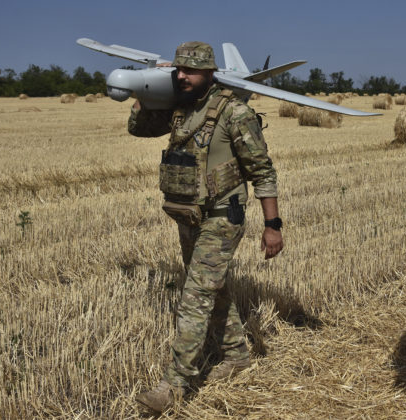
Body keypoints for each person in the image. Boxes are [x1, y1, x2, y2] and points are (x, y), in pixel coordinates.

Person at [128, 41, 283, 414]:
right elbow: (138, 128)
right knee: (214, 289)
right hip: (188, 214)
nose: (182, 76)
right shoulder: (180, 109)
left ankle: (174, 386)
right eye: (178, 70)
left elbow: (262, 172)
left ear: (210, 73)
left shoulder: (236, 113)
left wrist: (272, 225)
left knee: (195, 295)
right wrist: (142, 93)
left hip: (222, 216)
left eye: (190, 71)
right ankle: (236, 356)